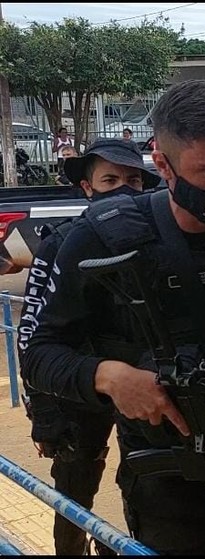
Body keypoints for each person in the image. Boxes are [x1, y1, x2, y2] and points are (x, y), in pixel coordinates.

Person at [19, 79, 205, 555]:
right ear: (164, 167)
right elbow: (40, 353)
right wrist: (108, 376)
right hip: (169, 477)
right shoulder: (101, 239)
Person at [18, 138, 157, 556]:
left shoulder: (158, 239)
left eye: (133, 180)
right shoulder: (62, 242)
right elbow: (32, 335)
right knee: (74, 495)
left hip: (145, 390)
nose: (123, 189)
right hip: (79, 392)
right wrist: (43, 416)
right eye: (110, 179)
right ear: (87, 188)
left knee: (147, 489)